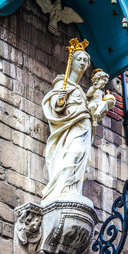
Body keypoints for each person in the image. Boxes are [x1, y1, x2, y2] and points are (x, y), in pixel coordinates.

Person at [41, 48, 93, 203]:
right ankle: (62, 188)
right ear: (72, 62)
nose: (83, 63)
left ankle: (72, 189)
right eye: (80, 59)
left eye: (85, 61)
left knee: (79, 160)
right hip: (69, 128)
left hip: (84, 129)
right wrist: (59, 101)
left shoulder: (81, 92)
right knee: (72, 154)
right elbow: (54, 104)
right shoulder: (62, 82)